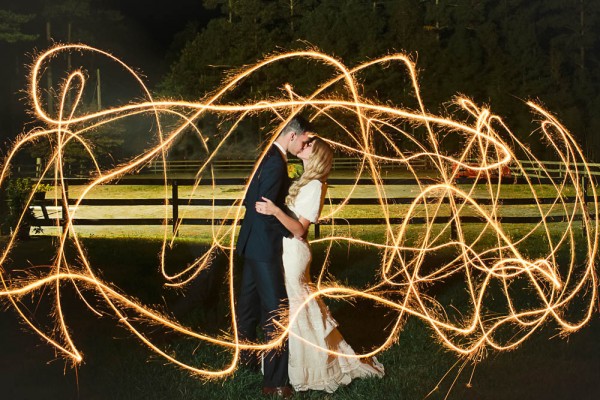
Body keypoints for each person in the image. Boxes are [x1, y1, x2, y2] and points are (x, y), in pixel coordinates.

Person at [255, 136, 385, 393]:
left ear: (317, 158)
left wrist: (275, 211)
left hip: (295, 252)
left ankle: (314, 367)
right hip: (287, 250)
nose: (303, 147)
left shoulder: (315, 185)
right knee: (293, 307)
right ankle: (289, 366)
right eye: (304, 144)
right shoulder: (305, 181)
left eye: (309, 147)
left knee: (298, 307)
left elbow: (301, 230)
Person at [236, 116, 311, 398]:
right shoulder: (275, 162)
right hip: (264, 247)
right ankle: (275, 383)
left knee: (247, 307)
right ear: (292, 136)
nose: (304, 143)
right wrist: (291, 229)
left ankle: (246, 362)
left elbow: (249, 201)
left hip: (251, 243)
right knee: (276, 313)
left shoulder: (265, 156)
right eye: (303, 138)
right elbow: (262, 209)